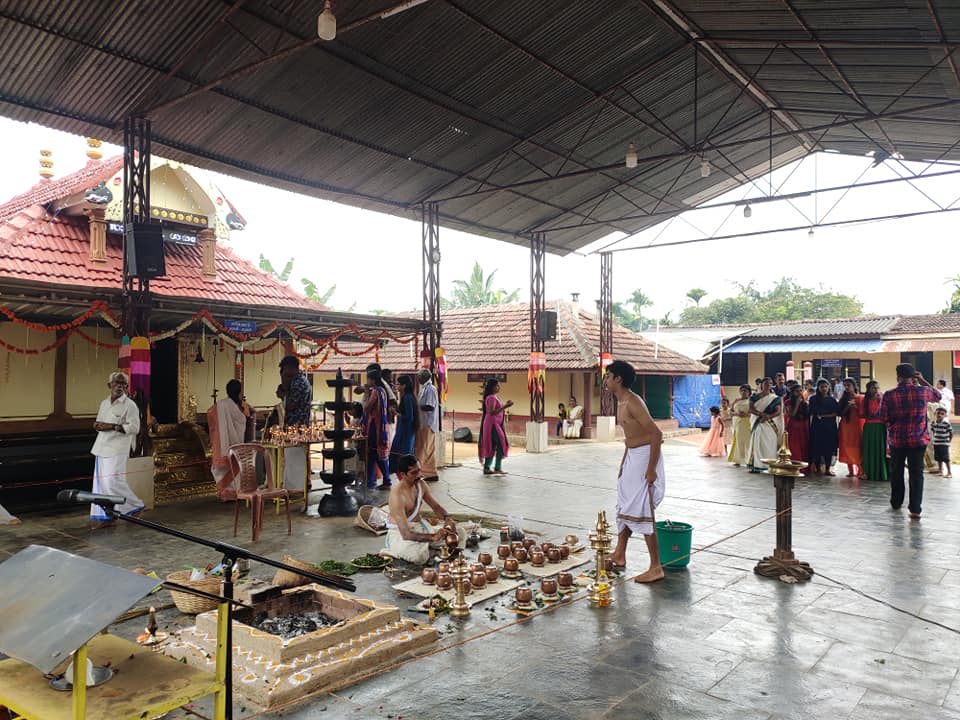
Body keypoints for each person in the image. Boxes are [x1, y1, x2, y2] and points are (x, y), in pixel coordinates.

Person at [604, 360, 665, 583]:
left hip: (645, 457)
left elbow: (656, 434)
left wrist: (651, 470)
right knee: (625, 505)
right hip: (632, 456)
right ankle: (620, 553)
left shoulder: (633, 402)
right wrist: (624, 462)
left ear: (618, 378)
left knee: (641, 509)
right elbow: (630, 437)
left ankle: (656, 566)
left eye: (609, 375)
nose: (606, 380)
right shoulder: (620, 402)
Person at [880, 363, 941, 519]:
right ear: (913, 376)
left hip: (897, 440)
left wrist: (893, 427)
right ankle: (915, 509)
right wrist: (922, 380)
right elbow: (938, 396)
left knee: (897, 472)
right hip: (918, 440)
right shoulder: (923, 391)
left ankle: (896, 501)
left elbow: (883, 417)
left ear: (897, 376)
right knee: (916, 474)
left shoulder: (888, 395)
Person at [381, 455, 464, 564]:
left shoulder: (421, 484)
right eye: (414, 473)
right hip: (400, 534)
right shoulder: (397, 495)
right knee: (418, 556)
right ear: (403, 475)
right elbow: (406, 534)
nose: (419, 475)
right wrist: (433, 537)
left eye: (419, 471)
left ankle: (433, 550)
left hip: (422, 528)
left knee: (461, 533)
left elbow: (436, 507)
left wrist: (447, 518)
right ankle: (432, 551)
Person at [90, 371, 144, 526]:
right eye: (116, 383)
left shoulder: (130, 405)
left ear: (126, 387)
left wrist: (113, 426)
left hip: (117, 449)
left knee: (114, 482)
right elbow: (100, 421)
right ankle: (109, 516)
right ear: (109, 385)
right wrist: (97, 425)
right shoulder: (104, 403)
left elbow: (135, 428)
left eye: (123, 384)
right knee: (103, 485)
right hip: (101, 448)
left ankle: (135, 506)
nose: (119, 386)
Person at [208, 379, 256, 500]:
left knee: (225, 467)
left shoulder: (220, 405)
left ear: (227, 391)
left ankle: (226, 494)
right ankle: (236, 492)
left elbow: (210, 414)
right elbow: (250, 415)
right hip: (238, 441)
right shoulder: (242, 405)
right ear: (240, 391)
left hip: (224, 442)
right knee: (236, 465)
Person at [279, 355, 312, 493]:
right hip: (295, 426)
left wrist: (284, 391)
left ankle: (296, 489)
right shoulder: (297, 380)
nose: (284, 373)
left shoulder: (298, 382)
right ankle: (294, 487)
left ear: (292, 368)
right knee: (292, 458)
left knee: (295, 458)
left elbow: (291, 405)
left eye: (285, 370)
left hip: (297, 426)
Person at [362, 363, 390, 490]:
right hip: (381, 426)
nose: (367, 381)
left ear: (372, 380)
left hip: (375, 426)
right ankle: (382, 479)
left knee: (372, 453)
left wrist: (366, 392)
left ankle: (372, 481)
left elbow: (367, 408)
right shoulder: (383, 390)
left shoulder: (375, 392)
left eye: (368, 379)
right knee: (379, 454)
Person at [387, 375, 419, 485]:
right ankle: (405, 481)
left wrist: (396, 414)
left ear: (404, 386)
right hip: (405, 431)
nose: (397, 386)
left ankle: (407, 481)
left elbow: (409, 417)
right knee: (401, 457)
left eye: (399, 384)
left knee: (401, 457)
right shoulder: (407, 397)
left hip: (405, 432)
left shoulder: (407, 398)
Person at [747, 377, 783, 474]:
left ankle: (770, 465)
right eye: (766, 383)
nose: (768, 385)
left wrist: (768, 417)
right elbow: (750, 409)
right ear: (761, 385)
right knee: (758, 443)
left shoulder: (775, 398)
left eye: (770, 383)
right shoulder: (754, 397)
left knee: (769, 444)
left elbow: (778, 411)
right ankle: (756, 465)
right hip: (758, 422)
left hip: (770, 424)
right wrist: (762, 415)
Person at [478, 378, 511, 475]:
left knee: (492, 445)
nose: (499, 387)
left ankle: (488, 468)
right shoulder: (491, 397)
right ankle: (495, 467)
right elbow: (492, 412)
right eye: (497, 385)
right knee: (501, 443)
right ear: (492, 387)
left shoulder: (494, 397)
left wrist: (505, 405)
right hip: (492, 424)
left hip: (494, 424)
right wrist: (505, 406)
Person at [808, 378, 840, 476]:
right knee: (817, 447)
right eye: (822, 387)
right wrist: (823, 415)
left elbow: (835, 413)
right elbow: (813, 411)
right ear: (818, 388)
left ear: (829, 387)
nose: (824, 389)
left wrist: (823, 416)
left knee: (829, 448)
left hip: (829, 427)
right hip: (817, 426)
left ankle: (827, 469)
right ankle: (817, 468)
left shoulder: (832, 400)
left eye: (826, 386)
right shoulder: (813, 399)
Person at [414, 368, 440, 482]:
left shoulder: (431, 389)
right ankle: (431, 473)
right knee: (427, 449)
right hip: (423, 423)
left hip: (427, 423)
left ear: (424, 377)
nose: (418, 379)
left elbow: (430, 406)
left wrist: (416, 406)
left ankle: (415, 473)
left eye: (419, 377)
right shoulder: (424, 388)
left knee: (423, 449)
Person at [860, 381, 888, 482]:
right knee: (869, 450)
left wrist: (880, 402)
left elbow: (887, 412)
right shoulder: (865, 400)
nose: (876, 390)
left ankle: (882, 473)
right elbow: (861, 414)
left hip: (880, 427)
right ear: (868, 389)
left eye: (877, 388)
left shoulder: (883, 398)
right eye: (873, 388)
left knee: (880, 450)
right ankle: (868, 472)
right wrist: (869, 415)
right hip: (869, 427)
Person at [838, 378, 864, 479]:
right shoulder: (843, 399)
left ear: (854, 386)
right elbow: (840, 413)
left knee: (858, 446)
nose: (847, 387)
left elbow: (864, 413)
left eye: (849, 385)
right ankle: (850, 470)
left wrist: (856, 407)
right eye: (845, 385)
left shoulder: (860, 398)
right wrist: (848, 406)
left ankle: (860, 469)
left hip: (857, 425)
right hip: (846, 426)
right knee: (847, 445)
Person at [784, 384, 810, 474]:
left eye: (800, 391)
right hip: (793, 426)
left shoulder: (805, 401)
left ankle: (804, 466)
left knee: (804, 446)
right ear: (792, 392)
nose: (799, 393)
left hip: (803, 426)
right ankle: (795, 466)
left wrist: (805, 404)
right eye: (797, 391)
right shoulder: (788, 402)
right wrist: (797, 404)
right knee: (794, 446)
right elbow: (791, 415)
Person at [727, 385, 753, 467]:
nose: (743, 392)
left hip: (748, 423)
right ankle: (738, 459)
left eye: (745, 391)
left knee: (748, 441)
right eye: (741, 390)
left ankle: (749, 460)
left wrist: (747, 414)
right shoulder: (736, 401)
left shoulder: (751, 401)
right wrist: (736, 414)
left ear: (749, 392)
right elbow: (730, 411)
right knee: (738, 441)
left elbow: (754, 411)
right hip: (738, 423)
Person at [931, 407, 953, 479]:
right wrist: (935, 438)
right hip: (936, 443)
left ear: (945, 415)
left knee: (946, 458)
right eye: (938, 413)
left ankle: (949, 472)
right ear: (935, 414)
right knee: (938, 458)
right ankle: (940, 471)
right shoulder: (933, 423)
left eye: (942, 414)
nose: (939, 415)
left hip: (944, 444)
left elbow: (951, 433)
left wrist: (949, 440)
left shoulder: (946, 423)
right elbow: (934, 431)